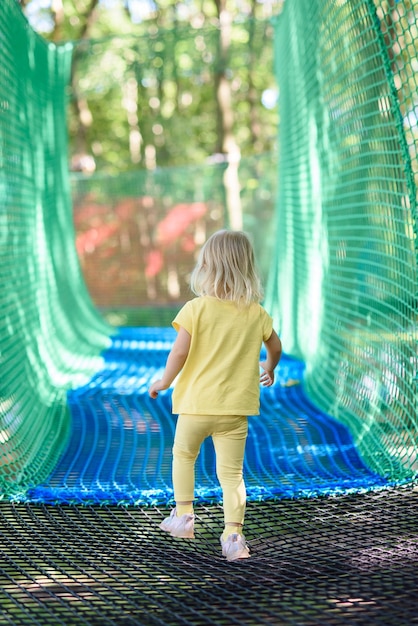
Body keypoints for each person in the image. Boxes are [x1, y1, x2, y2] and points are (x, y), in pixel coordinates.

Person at [149, 229, 282, 561]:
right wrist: (270, 365)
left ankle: (183, 515)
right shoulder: (256, 313)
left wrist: (164, 381)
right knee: (232, 475)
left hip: (195, 407)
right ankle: (233, 536)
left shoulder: (196, 309)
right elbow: (275, 345)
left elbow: (179, 354)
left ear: (207, 266)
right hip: (234, 411)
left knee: (184, 456)